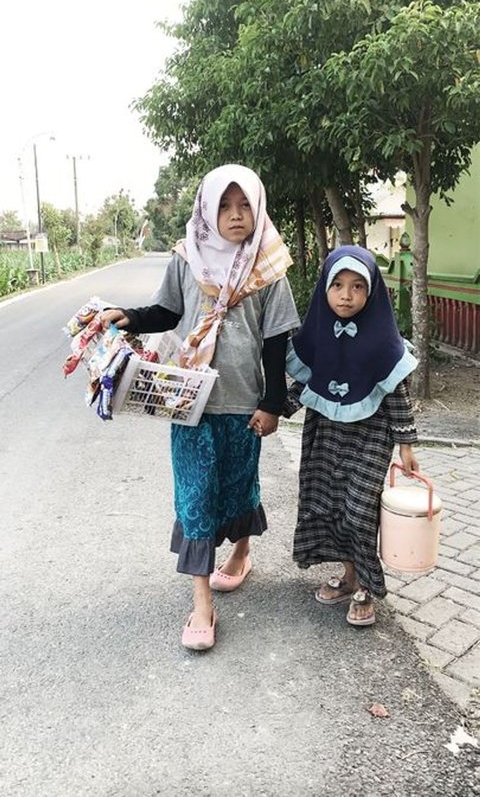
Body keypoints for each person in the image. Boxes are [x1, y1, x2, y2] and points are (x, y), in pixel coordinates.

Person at [100, 164, 300, 650]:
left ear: (258, 208)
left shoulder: (268, 263)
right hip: (187, 399)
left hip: (242, 402)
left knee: (238, 485)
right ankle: (201, 603)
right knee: (194, 498)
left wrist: (273, 403)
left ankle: (242, 553)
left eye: (244, 205)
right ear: (208, 210)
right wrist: (129, 316)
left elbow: (276, 340)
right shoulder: (187, 257)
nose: (235, 216)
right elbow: (168, 310)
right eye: (225, 206)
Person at [283, 245, 419, 627]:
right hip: (325, 432)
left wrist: (406, 443)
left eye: (358, 286)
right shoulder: (319, 334)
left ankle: (367, 589)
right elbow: (306, 383)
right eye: (338, 284)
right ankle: (350, 577)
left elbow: (398, 395)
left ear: (372, 291)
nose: (346, 294)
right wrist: (273, 411)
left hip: (371, 436)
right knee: (330, 504)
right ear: (324, 289)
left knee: (360, 510)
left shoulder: (383, 341)